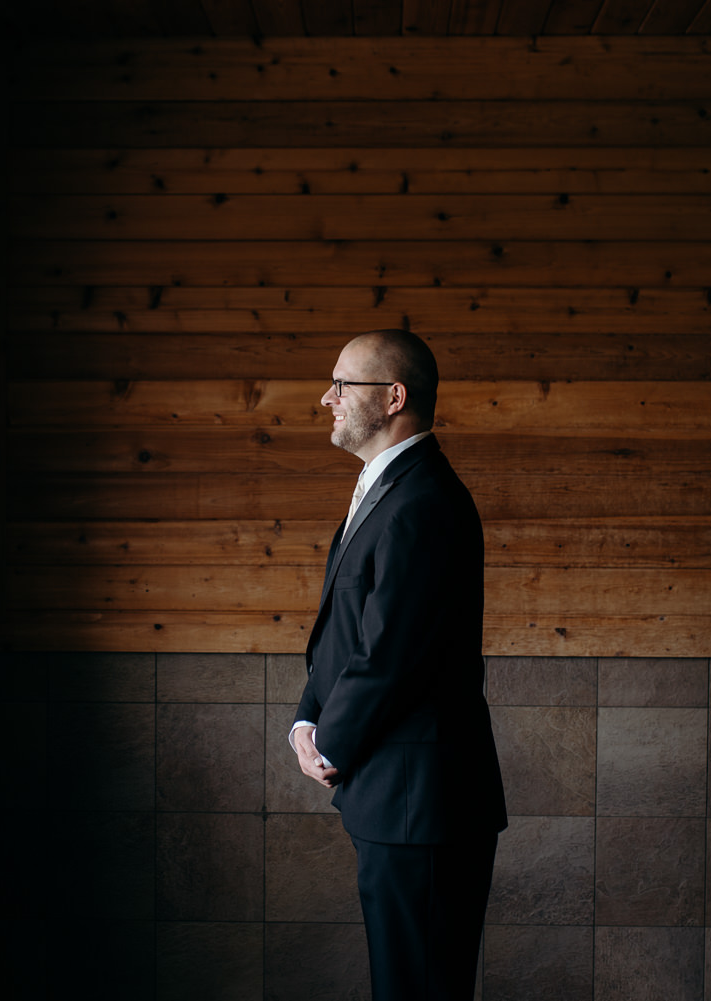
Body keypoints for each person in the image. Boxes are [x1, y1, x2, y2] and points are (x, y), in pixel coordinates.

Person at [290, 328, 507, 1001]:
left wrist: (329, 741)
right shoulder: (387, 488)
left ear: (393, 397)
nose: (327, 398)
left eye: (342, 384)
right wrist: (305, 717)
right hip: (399, 799)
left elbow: (390, 655)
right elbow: (350, 632)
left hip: (423, 805)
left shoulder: (424, 502)